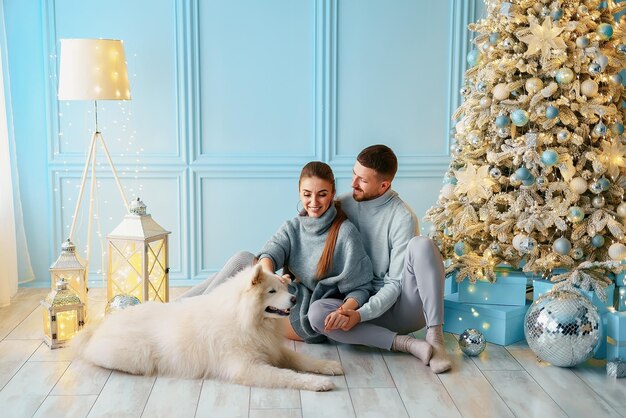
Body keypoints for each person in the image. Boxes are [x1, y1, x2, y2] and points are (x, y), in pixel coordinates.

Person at [181, 161, 375, 343]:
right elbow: (269, 254)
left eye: (322, 194)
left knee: (233, 300)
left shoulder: (345, 233)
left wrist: (343, 311)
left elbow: (361, 288)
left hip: (308, 314)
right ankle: (179, 308)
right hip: (286, 296)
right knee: (243, 260)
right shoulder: (294, 226)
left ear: (332, 193)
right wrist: (269, 275)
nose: (314, 201)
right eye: (307, 194)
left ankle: (186, 312)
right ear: (299, 193)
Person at [307, 145, 452, 374]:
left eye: (362, 180)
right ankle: (408, 345)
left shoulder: (401, 217)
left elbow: (395, 284)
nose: (353, 183)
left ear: (384, 185)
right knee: (316, 313)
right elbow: (306, 233)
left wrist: (360, 315)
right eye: (354, 174)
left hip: (399, 309)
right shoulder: (343, 204)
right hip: (356, 301)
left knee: (422, 244)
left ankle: (435, 338)